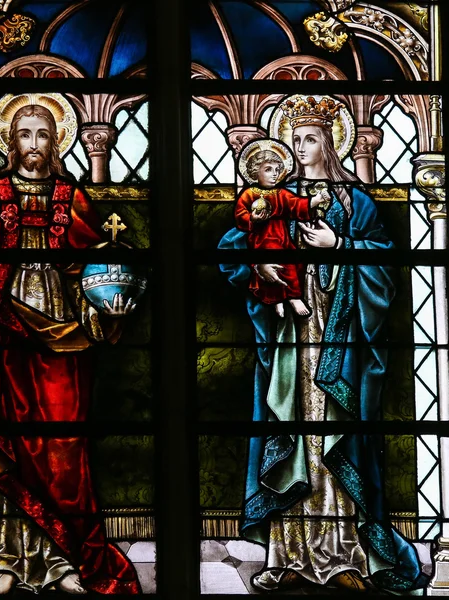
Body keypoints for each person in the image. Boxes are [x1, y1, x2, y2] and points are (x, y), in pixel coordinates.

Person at [0, 101, 140, 595]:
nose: (34, 146)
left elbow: (94, 267)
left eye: (43, 136)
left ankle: (62, 558)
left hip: (63, 333)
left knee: (62, 443)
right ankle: (2, 556)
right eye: (24, 135)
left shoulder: (73, 197)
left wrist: (109, 297)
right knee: (1, 437)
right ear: (9, 142)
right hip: (1, 328)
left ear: (57, 142)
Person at [219, 95, 427, 593]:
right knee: (295, 432)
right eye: (295, 139)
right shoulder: (274, 198)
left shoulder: (356, 203)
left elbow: (383, 265)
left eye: (310, 138)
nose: (300, 146)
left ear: (330, 142)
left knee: (338, 434)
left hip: (342, 340)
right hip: (292, 337)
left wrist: (339, 248)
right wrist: (258, 265)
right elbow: (234, 244)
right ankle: (290, 555)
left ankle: (348, 554)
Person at [234, 143, 330, 318]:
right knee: (271, 264)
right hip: (261, 239)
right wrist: (252, 219)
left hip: (281, 237)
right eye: (268, 169)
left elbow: (296, 205)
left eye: (277, 169)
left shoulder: (281, 193)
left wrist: (315, 200)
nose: (275, 174)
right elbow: (240, 214)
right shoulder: (248, 194)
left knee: (293, 263)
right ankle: (277, 300)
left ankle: (292, 296)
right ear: (255, 172)